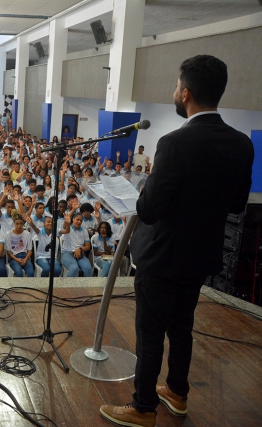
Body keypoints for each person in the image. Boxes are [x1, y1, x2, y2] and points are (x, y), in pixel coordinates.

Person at [100, 55, 254, 427]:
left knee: (150, 331)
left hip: (163, 255)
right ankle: (177, 393)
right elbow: (236, 204)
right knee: (182, 326)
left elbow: (149, 210)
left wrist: (146, 189)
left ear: (185, 93)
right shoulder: (241, 145)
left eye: (174, 87)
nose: (173, 93)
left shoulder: (174, 144)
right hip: (201, 256)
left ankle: (142, 407)